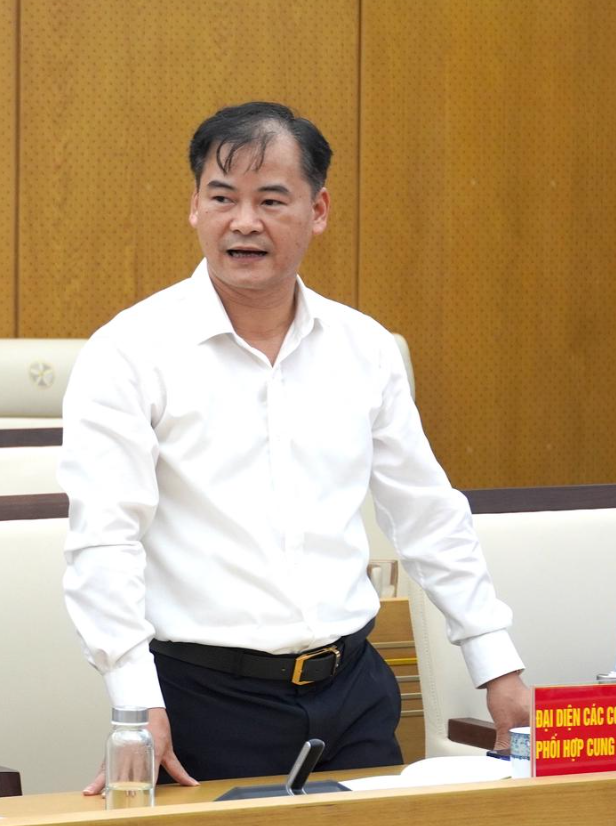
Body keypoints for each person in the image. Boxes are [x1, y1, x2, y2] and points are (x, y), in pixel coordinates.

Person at [59, 101, 530, 792]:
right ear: (194, 206)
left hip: (355, 691)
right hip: (206, 701)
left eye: (271, 200)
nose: (243, 222)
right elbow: (104, 540)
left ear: (319, 210)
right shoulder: (129, 352)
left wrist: (497, 665)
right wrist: (136, 703)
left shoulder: (364, 348)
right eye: (222, 197)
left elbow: (427, 514)